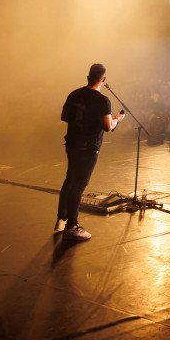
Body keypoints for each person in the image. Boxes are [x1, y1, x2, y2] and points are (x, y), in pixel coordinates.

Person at [56, 63, 125, 241]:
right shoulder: (103, 101)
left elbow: (64, 116)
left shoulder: (74, 94)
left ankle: (60, 220)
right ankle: (72, 225)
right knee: (79, 185)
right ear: (103, 79)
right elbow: (108, 127)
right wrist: (117, 119)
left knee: (69, 180)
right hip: (89, 148)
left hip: (72, 144)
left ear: (88, 77)